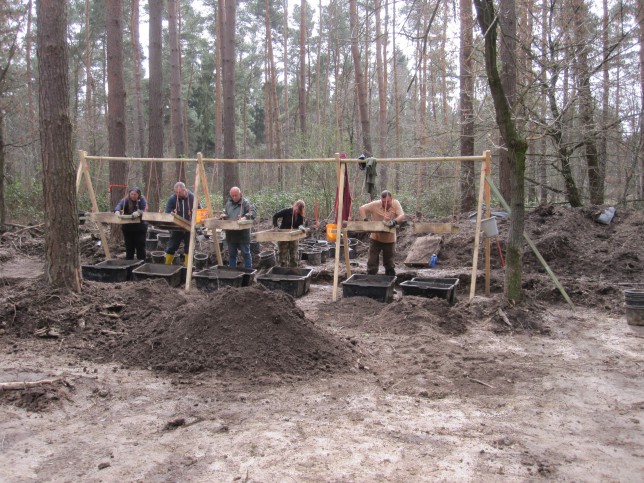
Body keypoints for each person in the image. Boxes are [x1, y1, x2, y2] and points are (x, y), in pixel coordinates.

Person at [358, 190, 405, 276]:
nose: (385, 204)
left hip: (390, 239)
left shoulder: (396, 203)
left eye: (388, 201)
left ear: (392, 199)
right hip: (375, 238)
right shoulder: (375, 204)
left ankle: (390, 281)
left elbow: (401, 215)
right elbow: (361, 208)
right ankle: (371, 280)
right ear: (381, 200)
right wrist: (366, 220)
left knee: (389, 263)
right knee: (372, 262)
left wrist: (394, 222)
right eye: (383, 202)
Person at [164, 181, 200, 265]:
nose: (177, 194)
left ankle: (187, 267)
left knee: (189, 247)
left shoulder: (193, 198)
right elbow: (167, 212)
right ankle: (167, 265)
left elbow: (200, 210)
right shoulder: (172, 198)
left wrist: (194, 213)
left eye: (179, 192)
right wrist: (172, 212)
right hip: (177, 227)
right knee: (171, 246)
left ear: (185, 190)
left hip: (189, 227)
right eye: (176, 192)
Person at [223, 186, 255, 269]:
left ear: (240, 194)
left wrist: (245, 217)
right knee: (232, 254)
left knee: (246, 253)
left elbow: (253, 212)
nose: (234, 197)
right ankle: (233, 272)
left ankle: (248, 271)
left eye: (236, 195)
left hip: (242, 234)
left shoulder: (246, 203)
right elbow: (225, 212)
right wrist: (223, 215)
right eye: (232, 196)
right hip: (231, 234)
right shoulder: (228, 204)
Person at [114, 186, 148, 260]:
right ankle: (129, 264)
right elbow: (119, 205)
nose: (133, 196)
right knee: (129, 246)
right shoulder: (126, 200)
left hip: (140, 228)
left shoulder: (142, 200)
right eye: (131, 194)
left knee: (140, 246)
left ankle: (141, 262)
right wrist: (117, 210)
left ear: (138, 194)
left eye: (135, 194)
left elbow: (144, 208)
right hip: (128, 228)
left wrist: (139, 212)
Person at [273, 200, 306, 268]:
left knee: (294, 256)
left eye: (299, 210)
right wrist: (276, 226)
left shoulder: (300, 215)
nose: (296, 211)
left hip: (294, 236)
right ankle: (283, 271)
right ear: (295, 205)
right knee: (283, 256)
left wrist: (301, 226)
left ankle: (293, 271)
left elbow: (301, 224)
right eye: (296, 209)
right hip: (284, 236)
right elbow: (275, 216)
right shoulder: (287, 211)